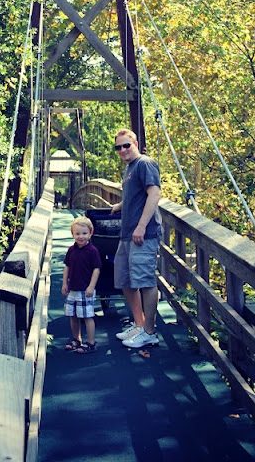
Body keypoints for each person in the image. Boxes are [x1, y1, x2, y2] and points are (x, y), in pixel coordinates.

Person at [111, 128, 162, 348]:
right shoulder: (129, 168)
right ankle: (139, 325)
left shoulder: (144, 163)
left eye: (126, 145)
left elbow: (154, 194)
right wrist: (121, 205)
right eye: (118, 147)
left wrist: (141, 226)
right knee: (124, 280)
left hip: (143, 234)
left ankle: (149, 332)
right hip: (127, 233)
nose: (123, 150)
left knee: (145, 281)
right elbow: (137, 194)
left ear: (135, 144)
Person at [62, 216, 102, 354]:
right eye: (77, 233)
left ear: (90, 233)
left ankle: (91, 342)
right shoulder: (71, 250)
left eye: (84, 233)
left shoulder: (92, 251)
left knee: (87, 316)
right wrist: (64, 283)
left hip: (85, 290)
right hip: (72, 288)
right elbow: (67, 266)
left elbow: (96, 269)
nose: (81, 237)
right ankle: (76, 338)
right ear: (73, 234)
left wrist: (91, 286)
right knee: (73, 315)